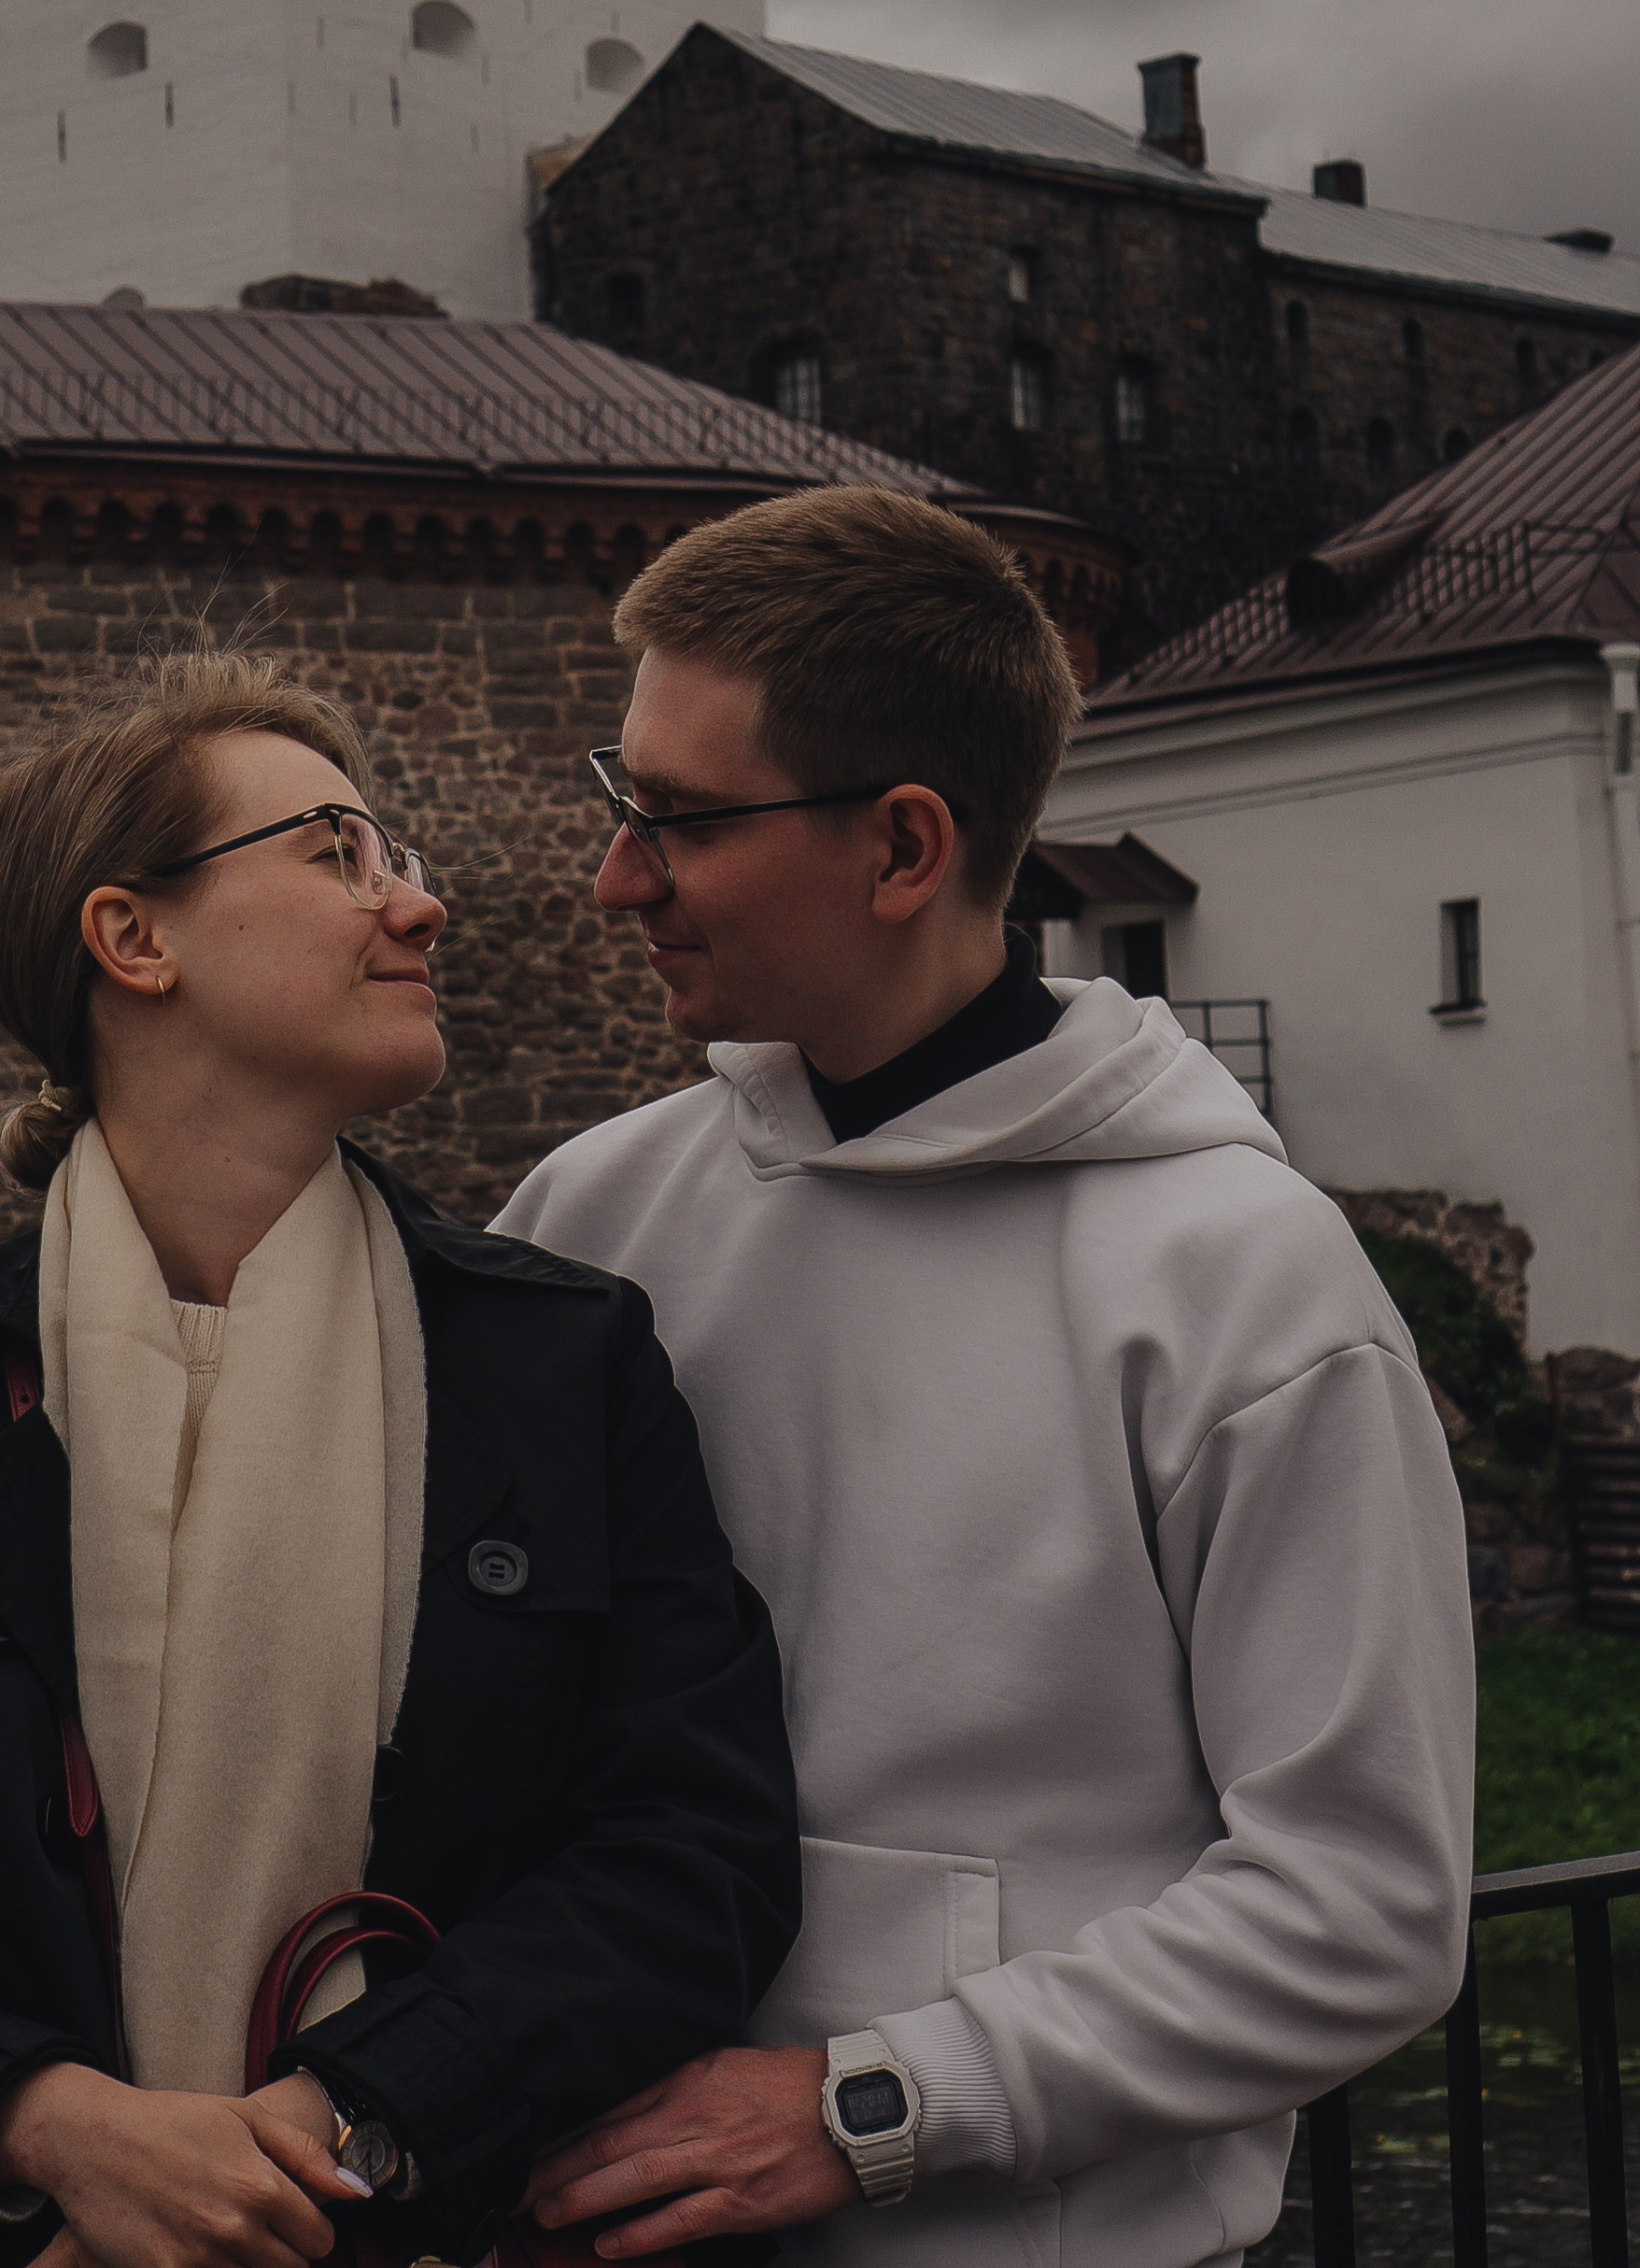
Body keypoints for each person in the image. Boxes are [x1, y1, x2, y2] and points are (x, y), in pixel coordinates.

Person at [0, 648, 800, 2268]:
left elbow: (696, 1863)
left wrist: (347, 2121)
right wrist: (58, 2132)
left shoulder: (561, 1361)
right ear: (133, 939)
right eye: (336, 853)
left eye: (397, 858)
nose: (417, 907)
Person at [499, 487, 1475, 2268]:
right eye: (618, 798)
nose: (614, 874)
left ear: (903, 847)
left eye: (682, 822)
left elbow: (1364, 1905)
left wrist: (881, 2103)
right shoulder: (593, 1212)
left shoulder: (1244, 1284)